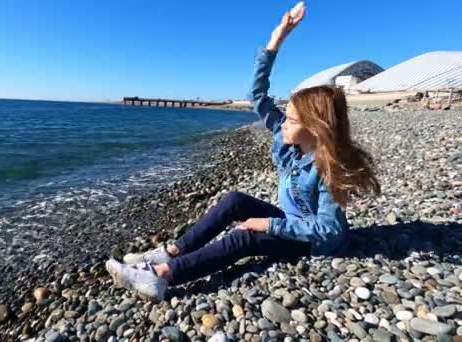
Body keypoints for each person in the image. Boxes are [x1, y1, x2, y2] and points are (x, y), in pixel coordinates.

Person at [105, 5, 381, 302]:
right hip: (289, 220)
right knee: (235, 200)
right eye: (285, 117)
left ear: (315, 129)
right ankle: (169, 252)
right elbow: (258, 95)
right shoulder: (289, 141)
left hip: (311, 243)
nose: (283, 123)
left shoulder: (329, 168)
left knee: (244, 237)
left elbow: (327, 229)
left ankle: (161, 276)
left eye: (291, 120)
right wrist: (277, 39)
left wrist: (268, 225)